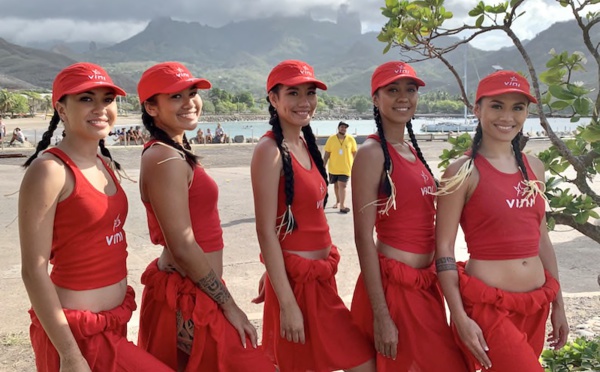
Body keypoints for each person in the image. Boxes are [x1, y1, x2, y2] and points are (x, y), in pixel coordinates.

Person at [18, 62, 171, 371]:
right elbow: (33, 271)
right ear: (61, 109)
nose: (100, 108)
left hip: (112, 324)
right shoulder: (50, 170)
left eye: (107, 99)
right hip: (76, 335)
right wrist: (71, 356)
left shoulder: (104, 164)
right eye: (86, 99)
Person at [135, 61, 275, 371]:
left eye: (193, 92)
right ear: (151, 107)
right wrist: (230, 305)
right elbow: (183, 245)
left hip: (197, 288)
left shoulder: (175, 150)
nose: (189, 102)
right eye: (175, 96)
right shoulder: (165, 157)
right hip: (186, 294)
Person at [435, 70, 569, 371]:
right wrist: (459, 317)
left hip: (536, 303)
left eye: (517, 107)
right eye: (497, 105)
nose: (507, 116)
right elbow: (443, 248)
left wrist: (558, 304)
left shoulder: (535, 167)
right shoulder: (462, 171)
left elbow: (541, 239)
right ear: (477, 109)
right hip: (488, 307)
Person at [251, 59, 375, 372]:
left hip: (320, 281)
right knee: (361, 363)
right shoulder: (270, 150)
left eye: (310, 93)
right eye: (293, 93)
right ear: (273, 99)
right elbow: (266, 231)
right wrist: (288, 303)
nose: (304, 102)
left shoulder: (304, 143)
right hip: (298, 287)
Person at [350, 61, 469, 371]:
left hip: (424, 286)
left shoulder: (408, 149)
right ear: (376, 99)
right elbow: (363, 237)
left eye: (410, 90)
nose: (403, 97)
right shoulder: (371, 154)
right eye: (393, 90)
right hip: (394, 291)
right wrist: (381, 313)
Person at [323, 121, 357, 214]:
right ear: (338, 128)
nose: (343, 129)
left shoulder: (351, 139)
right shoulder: (331, 139)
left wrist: (357, 165)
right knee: (336, 186)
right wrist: (323, 166)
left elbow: (355, 153)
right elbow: (327, 154)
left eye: (345, 127)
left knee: (343, 185)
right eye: (342, 127)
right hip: (333, 168)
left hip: (346, 168)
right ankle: (338, 201)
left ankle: (342, 205)